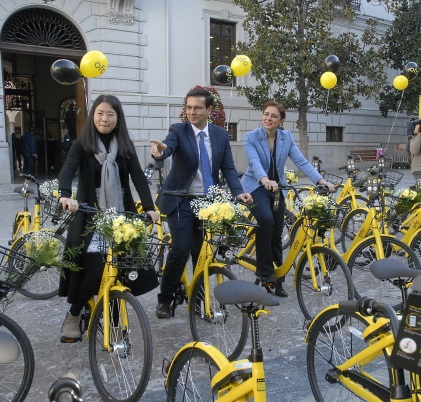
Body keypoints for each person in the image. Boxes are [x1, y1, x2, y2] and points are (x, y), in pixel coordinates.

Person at [58, 94, 159, 341]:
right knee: (95, 270)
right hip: (91, 215)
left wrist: (149, 207)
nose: (105, 118)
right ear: (93, 115)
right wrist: (65, 196)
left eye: (110, 114)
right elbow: (68, 169)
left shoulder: (125, 146)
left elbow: (138, 178)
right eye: (100, 113)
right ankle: (74, 313)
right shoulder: (82, 145)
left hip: (121, 214)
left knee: (121, 270)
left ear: (118, 118)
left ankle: (114, 320)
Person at [150, 88, 252, 319]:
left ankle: (198, 299)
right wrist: (160, 153)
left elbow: (227, 168)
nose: (192, 112)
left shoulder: (220, 135)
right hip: (180, 200)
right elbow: (168, 146)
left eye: (197, 108)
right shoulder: (178, 130)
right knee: (181, 248)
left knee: (202, 252)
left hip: (207, 202)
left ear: (209, 110)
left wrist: (238, 192)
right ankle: (165, 299)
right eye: (188, 107)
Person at [240, 100, 335, 297]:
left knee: (277, 230)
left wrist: (320, 180)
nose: (269, 118)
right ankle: (266, 274)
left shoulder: (286, 137)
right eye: (266, 114)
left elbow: (301, 161)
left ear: (281, 121)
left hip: (278, 188)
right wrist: (265, 179)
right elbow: (254, 162)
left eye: (274, 116)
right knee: (265, 220)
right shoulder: (251, 137)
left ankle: (279, 278)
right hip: (256, 186)